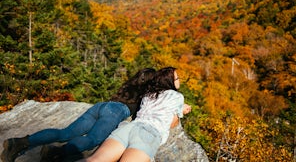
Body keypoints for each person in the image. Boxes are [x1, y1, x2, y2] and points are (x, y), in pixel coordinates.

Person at [1, 68, 156, 162]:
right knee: (92, 139)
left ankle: (20, 142)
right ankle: (55, 153)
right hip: (116, 111)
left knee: (65, 133)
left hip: (101, 106)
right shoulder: (147, 93)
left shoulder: (129, 85)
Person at [79, 66, 191, 162]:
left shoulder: (148, 94)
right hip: (148, 134)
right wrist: (181, 110)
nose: (179, 80)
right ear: (170, 81)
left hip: (129, 128)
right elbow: (172, 123)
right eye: (177, 78)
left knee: (94, 160)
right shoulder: (177, 97)